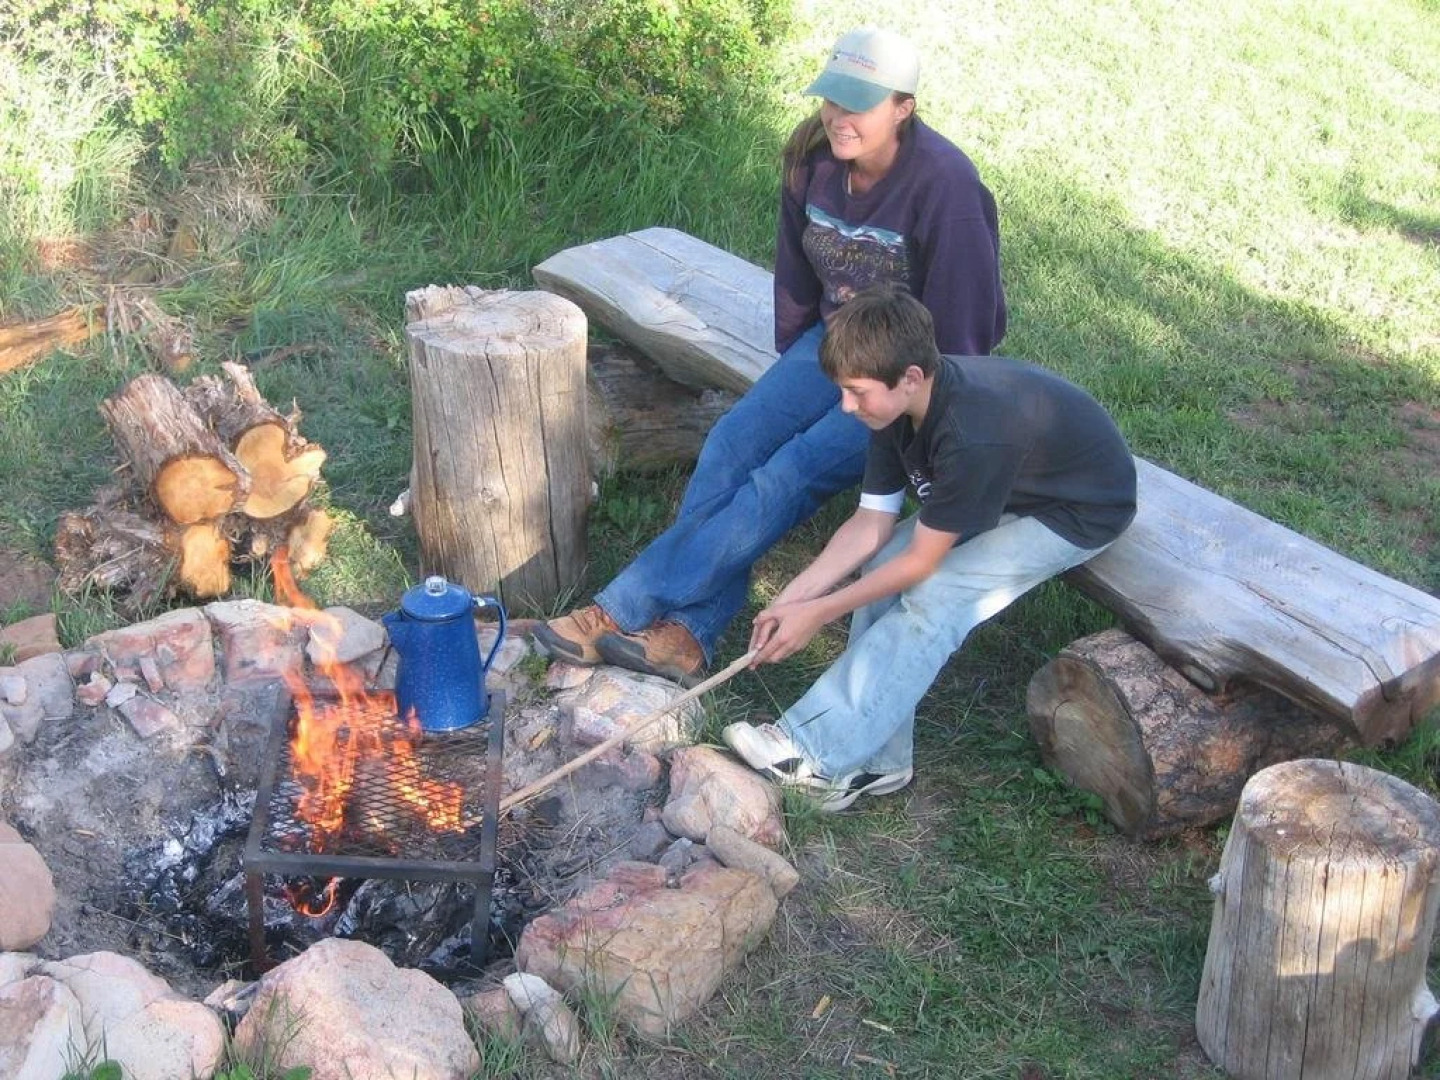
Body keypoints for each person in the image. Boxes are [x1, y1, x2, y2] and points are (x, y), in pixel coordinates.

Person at [533, 26, 1007, 686]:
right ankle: (690, 635)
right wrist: (795, 373)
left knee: (789, 471)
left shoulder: (946, 187)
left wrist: (915, 409)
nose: (839, 118)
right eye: (832, 100)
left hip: (905, 376)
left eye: (859, 105)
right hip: (831, 344)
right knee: (733, 440)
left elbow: (965, 330)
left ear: (904, 107)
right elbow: (797, 271)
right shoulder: (813, 157)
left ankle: (620, 608)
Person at [722, 285, 1137, 812]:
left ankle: (815, 754)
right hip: (1009, 485)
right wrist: (795, 599)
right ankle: (880, 761)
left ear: (912, 377)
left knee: (937, 596)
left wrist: (819, 614)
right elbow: (869, 527)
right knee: (883, 563)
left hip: (1076, 508)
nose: (846, 406)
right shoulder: (893, 410)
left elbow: (923, 564)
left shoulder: (971, 433)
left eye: (857, 392)